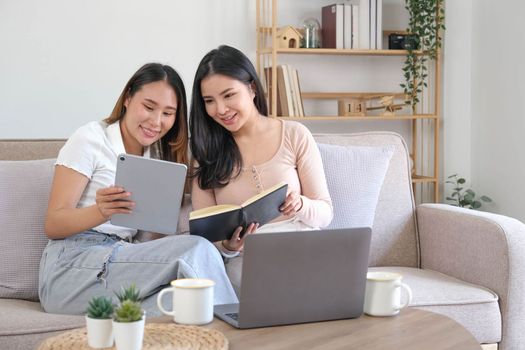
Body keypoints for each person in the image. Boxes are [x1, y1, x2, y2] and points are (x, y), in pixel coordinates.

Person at [39, 63, 238, 315]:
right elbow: (53, 224)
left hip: (120, 262)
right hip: (70, 267)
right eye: (149, 107)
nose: (156, 121)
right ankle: (241, 332)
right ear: (128, 97)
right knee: (196, 249)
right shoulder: (90, 138)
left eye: (168, 113)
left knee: (187, 306)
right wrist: (100, 211)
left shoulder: (157, 156)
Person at [189, 45, 333, 260]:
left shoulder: (295, 134)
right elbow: (205, 240)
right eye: (209, 101)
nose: (220, 109)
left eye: (228, 95)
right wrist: (229, 246)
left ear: (252, 88)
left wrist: (301, 204)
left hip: (303, 251)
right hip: (247, 262)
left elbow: (325, 214)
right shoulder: (206, 154)